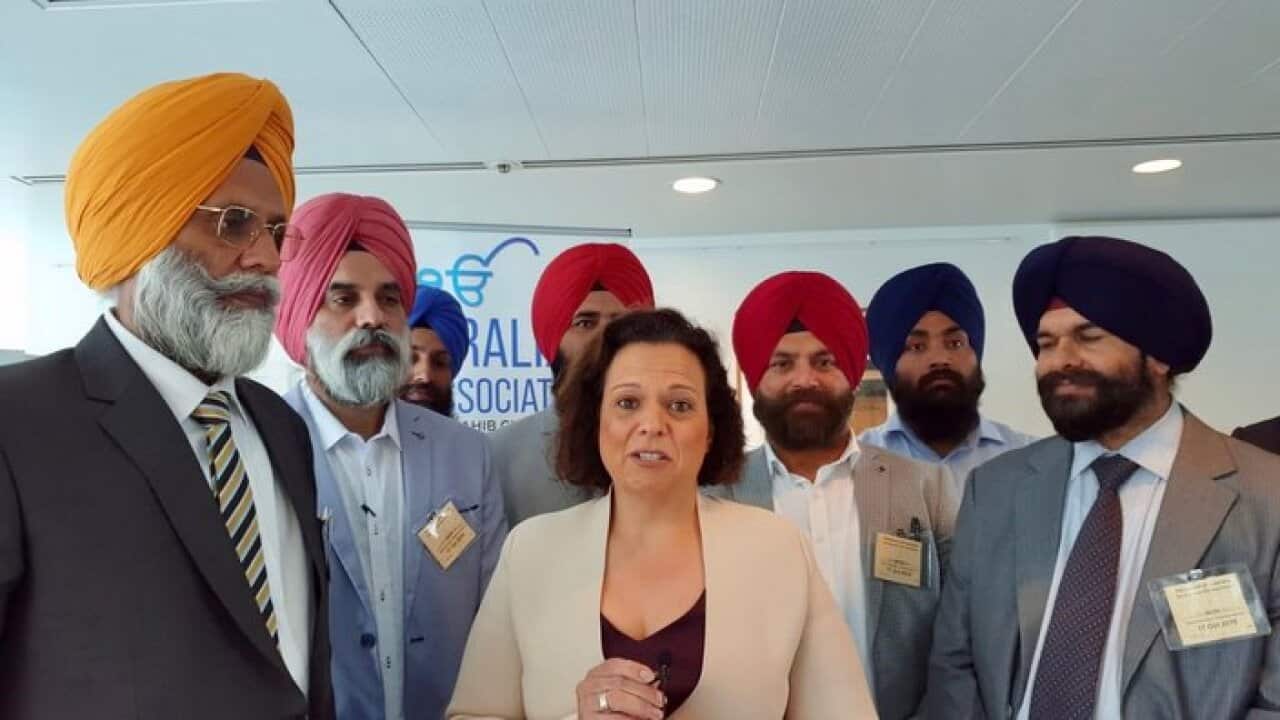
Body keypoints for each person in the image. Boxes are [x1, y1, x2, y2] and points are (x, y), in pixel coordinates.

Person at [0, 73, 333, 718]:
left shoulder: (279, 427)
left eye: (275, 229)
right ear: (140, 234)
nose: (263, 256)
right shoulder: (18, 423)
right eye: (234, 223)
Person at [448, 309, 877, 719]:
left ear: (710, 430)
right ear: (595, 421)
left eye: (679, 406)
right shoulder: (530, 552)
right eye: (628, 402)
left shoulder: (779, 550)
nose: (652, 423)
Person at [927, 235, 1280, 719]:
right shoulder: (997, 489)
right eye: (1046, 343)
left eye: (1088, 337)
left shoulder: (1264, 494)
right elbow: (956, 663)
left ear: (1158, 357)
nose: (1061, 360)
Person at [275, 193, 507, 720]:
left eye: (389, 298)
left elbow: (498, 618)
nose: (371, 318)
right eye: (343, 299)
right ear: (299, 316)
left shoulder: (466, 454)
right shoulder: (263, 447)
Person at [716, 271, 956, 720]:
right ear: (753, 380)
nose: (804, 380)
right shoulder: (712, 499)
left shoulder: (928, 488)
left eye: (824, 362)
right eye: (782, 364)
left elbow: (961, 638)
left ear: (850, 373)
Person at [489, 242, 655, 528]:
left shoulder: (670, 444)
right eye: (585, 323)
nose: (604, 338)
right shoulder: (499, 456)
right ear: (552, 340)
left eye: (620, 322)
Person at [861, 262, 1035, 490]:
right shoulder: (857, 465)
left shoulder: (1030, 460)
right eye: (917, 346)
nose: (940, 358)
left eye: (955, 343)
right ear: (890, 365)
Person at [401, 285, 469, 416]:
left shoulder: (467, 437)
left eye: (440, 363)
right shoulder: (352, 435)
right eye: (410, 359)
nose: (425, 377)